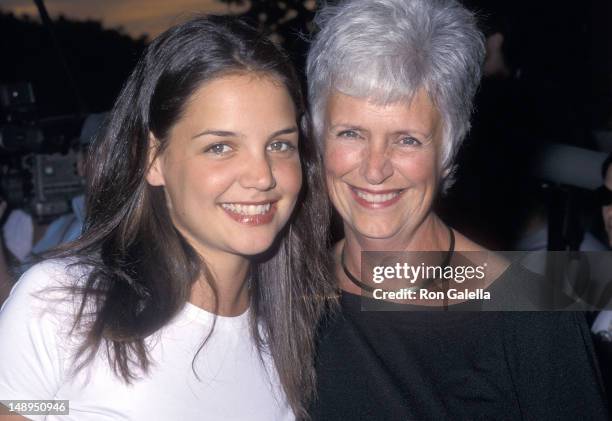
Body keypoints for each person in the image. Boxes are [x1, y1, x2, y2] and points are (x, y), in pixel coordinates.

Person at [0, 15, 335, 420]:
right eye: (220, 147)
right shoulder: (63, 305)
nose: (262, 176)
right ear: (154, 159)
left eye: (280, 145)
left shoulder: (291, 339)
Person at [305, 0, 608, 419]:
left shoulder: (533, 316)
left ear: (448, 150)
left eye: (407, 139)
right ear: (319, 141)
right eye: (351, 133)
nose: (374, 168)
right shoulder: (293, 296)